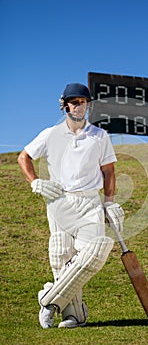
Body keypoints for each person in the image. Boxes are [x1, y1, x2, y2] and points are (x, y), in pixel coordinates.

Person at [18, 83, 124, 329]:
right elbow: (24, 157)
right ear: (64, 104)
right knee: (61, 254)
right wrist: (35, 183)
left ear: (88, 105)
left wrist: (109, 202)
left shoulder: (99, 136)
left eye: (83, 102)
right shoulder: (50, 134)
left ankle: (48, 299)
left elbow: (108, 171)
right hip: (58, 200)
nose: (79, 106)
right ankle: (74, 315)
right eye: (74, 102)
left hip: (89, 201)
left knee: (94, 254)